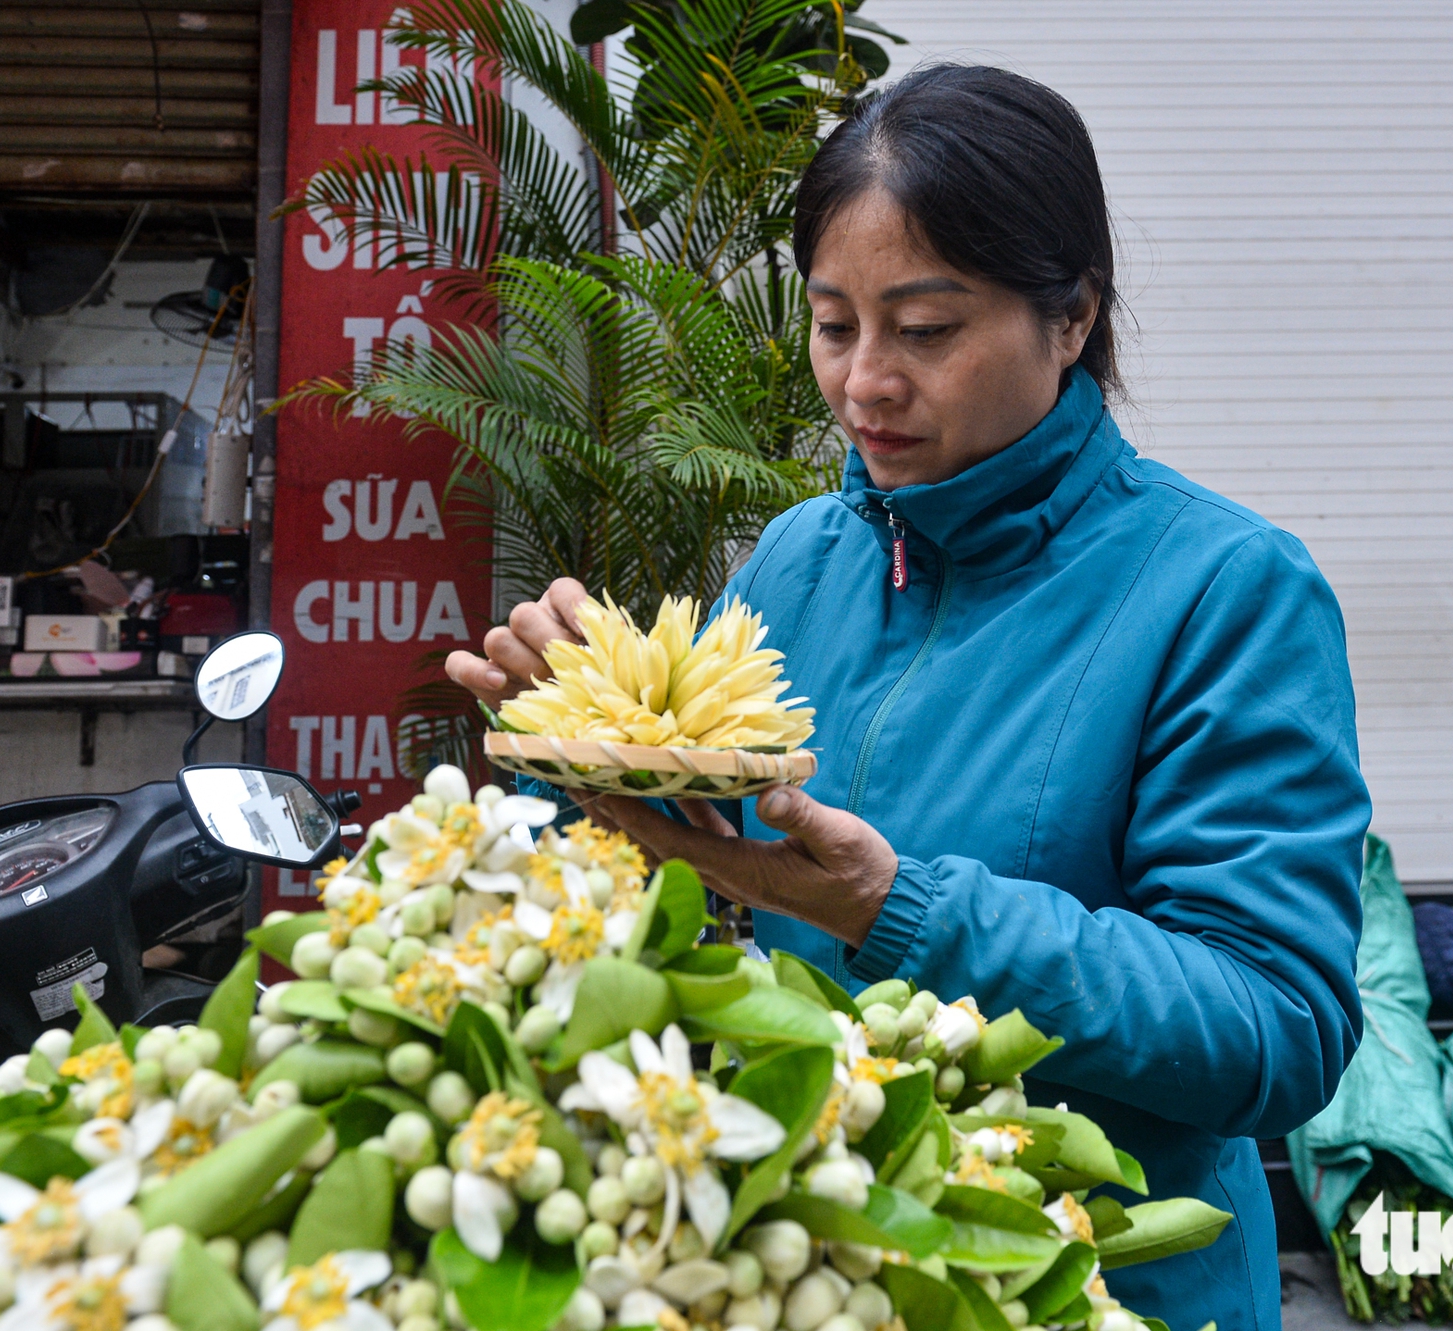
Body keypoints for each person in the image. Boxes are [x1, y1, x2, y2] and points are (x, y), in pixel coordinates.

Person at [448, 64, 1368, 1330]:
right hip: (796, 1274)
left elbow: (1275, 1025)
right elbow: (684, 883)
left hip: (1083, 1286)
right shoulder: (793, 558)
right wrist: (584, 758)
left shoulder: (1224, 590)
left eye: (924, 330)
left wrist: (900, 910)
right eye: (834, 325)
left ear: (1070, 318)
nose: (865, 381)